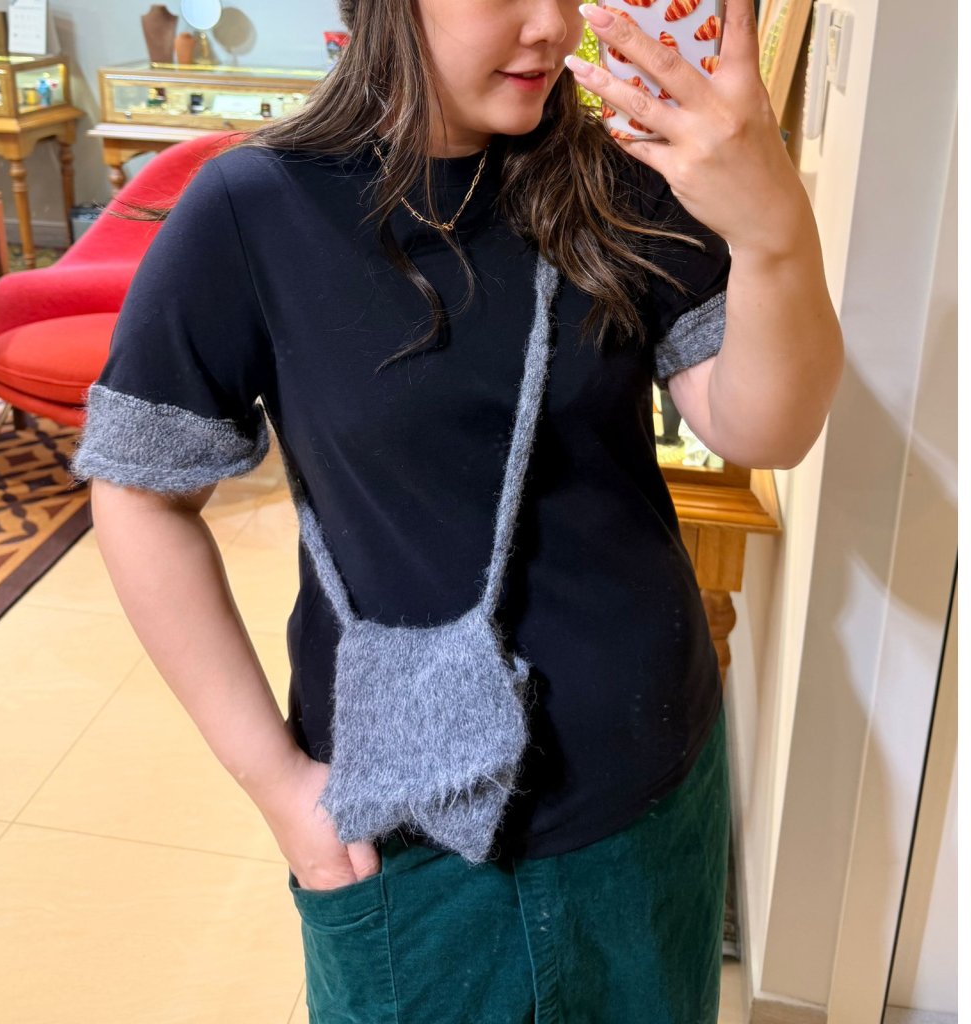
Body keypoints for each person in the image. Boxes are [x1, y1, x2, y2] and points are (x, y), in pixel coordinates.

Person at [71, 0, 844, 1020]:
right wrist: (278, 787)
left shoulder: (617, 177)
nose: (550, 25)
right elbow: (139, 493)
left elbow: (764, 430)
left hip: (652, 800)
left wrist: (775, 232)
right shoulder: (256, 208)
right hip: (412, 842)